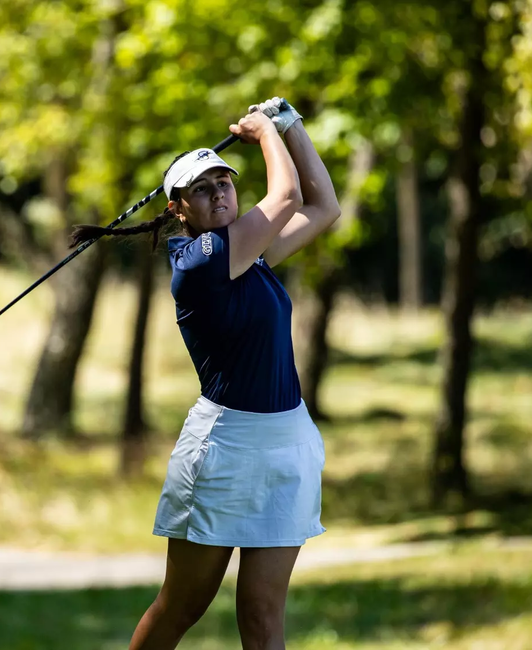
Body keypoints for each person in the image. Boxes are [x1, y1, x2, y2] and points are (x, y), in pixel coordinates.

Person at [69, 97, 341, 650]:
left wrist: (291, 127)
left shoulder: (251, 256)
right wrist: (265, 131)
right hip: (225, 450)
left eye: (225, 183)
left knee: (264, 616)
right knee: (182, 606)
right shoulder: (198, 263)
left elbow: (322, 207)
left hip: (287, 445)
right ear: (178, 210)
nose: (220, 194)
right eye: (203, 189)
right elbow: (285, 195)